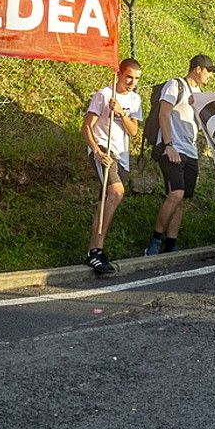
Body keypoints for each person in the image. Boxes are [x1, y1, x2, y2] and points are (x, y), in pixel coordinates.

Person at [144, 54, 215, 257]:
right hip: (172, 148)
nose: (211, 75)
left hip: (190, 150)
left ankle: (171, 243)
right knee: (175, 193)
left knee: (181, 197)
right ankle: (154, 241)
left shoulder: (199, 94)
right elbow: (164, 114)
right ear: (197, 69)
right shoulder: (175, 85)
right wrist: (169, 145)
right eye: (209, 71)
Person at [82, 58, 143, 276]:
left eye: (136, 78)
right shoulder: (103, 94)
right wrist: (97, 152)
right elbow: (86, 127)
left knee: (105, 200)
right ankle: (97, 251)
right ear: (119, 73)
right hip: (104, 150)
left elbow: (134, 131)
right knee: (116, 192)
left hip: (123, 155)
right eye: (128, 77)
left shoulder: (135, 99)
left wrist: (121, 113)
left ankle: (92, 251)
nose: (132, 82)